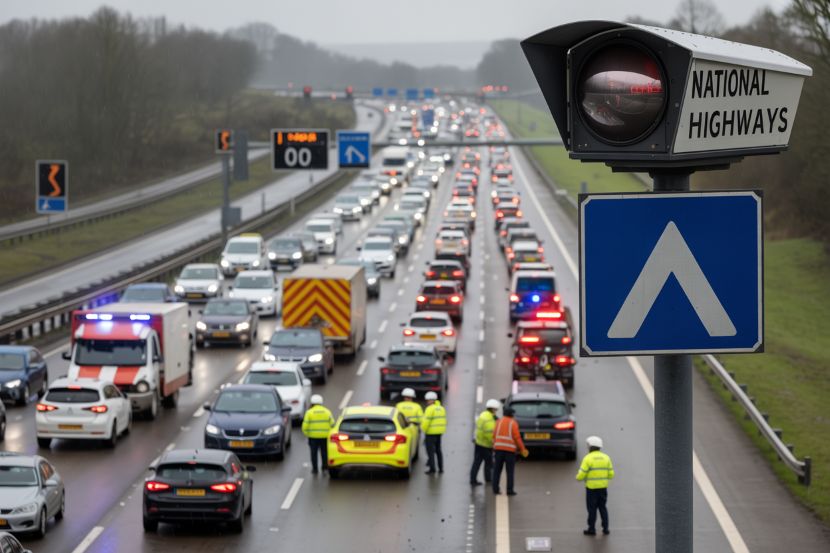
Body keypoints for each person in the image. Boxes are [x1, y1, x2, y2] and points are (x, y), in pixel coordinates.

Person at [576, 435, 615, 536]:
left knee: (592, 509)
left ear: (590, 446)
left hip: (591, 489)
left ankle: (591, 529)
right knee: (603, 507)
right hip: (603, 488)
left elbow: (581, 474)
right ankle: (605, 529)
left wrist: (578, 478)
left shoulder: (587, 458)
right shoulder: (606, 458)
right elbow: (611, 475)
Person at [491, 405, 528, 495]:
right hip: (509, 451)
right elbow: (517, 438)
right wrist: (523, 449)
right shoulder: (513, 423)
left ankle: (495, 489)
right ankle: (509, 490)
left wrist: (494, 447)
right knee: (510, 472)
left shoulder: (498, 422)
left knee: (497, 470)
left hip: (498, 450)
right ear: (511, 415)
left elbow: (494, 435)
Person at [301, 394, 335, 474]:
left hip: (313, 438)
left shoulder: (309, 413)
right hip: (325, 437)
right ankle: (324, 467)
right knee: (324, 452)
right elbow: (332, 424)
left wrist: (308, 434)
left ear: (312, 403)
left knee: (313, 453)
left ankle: (315, 469)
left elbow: (304, 426)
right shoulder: (327, 411)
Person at [469, 399, 500, 486]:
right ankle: (488, 479)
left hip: (478, 443)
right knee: (489, 463)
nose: (496, 411)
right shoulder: (489, 419)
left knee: (477, 462)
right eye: (496, 410)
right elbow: (489, 434)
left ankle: (473, 479)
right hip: (486, 445)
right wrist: (494, 443)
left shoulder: (483, 415)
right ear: (493, 409)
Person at [421, 391, 446, 474]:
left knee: (430, 452)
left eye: (428, 400)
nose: (427, 402)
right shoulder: (441, 408)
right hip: (439, 433)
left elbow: (426, 422)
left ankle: (432, 469)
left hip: (430, 433)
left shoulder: (429, 409)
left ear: (431, 400)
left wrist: (423, 429)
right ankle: (441, 468)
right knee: (438, 450)